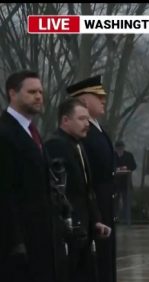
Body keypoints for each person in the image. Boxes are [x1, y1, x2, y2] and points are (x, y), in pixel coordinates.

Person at [0, 70, 69, 281]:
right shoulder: (5, 133)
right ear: (13, 94)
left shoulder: (31, 131)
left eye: (40, 91)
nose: (39, 97)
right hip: (19, 241)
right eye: (31, 92)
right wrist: (15, 242)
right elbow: (4, 191)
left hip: (42, 236)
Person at [44, 98, 112, 282]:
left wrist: (96, 220)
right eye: (81, 119)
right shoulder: (56, 145)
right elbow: (60, 191)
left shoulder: (79, 144)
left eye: (87, 119)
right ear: (65, 120)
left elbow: (87, 189)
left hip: (84, 227)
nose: (87, 124)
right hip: (69, 229)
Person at [68, 75, 117, 282]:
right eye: (99, 96)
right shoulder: (85, 132)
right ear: (85, 100)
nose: (104, 100)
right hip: (95, 202)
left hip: (105, 204)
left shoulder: (97, 128)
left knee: (107, 259)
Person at [114, 140, 137, 225]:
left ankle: (126, 221)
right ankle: (115, 220)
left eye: (121, 148)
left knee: (126, 203)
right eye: (118, 148)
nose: (120, 150)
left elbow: (134, 166)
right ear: (116, 149)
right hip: (115, 184)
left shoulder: (129, 155)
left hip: (126, 182)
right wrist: (117, 169)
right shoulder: (112, 156)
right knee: (115, 203)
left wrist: (126, 167)